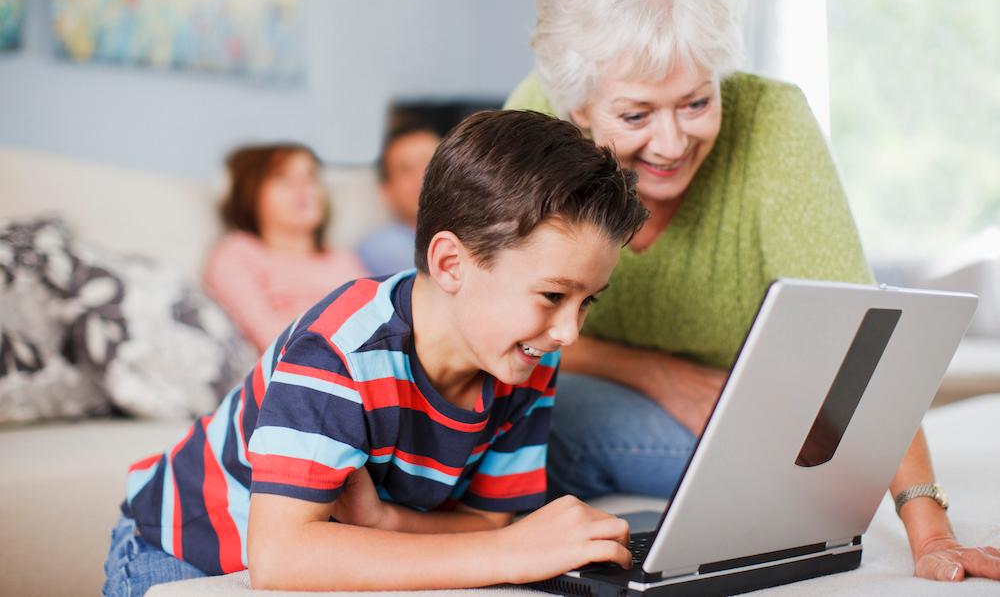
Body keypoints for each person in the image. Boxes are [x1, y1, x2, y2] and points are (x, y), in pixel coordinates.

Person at [505, 0, 1000, 583]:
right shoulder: (535, 126)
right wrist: (658, 373)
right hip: (567, 387)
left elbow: (864, 344)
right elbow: (501, 327)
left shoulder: (771, 120)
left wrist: (927, 524)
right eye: (635, 115)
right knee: (529, 420)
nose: (672, 142)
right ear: (578, 111)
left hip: (736, 412)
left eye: (696, 102)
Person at [101, 110, 650, 595]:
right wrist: (513, 552)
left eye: (586, 302)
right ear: (451, 264)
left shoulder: (528, 356)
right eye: (553, 295)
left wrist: (389, 524)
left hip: (336, 543)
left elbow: (486, 522)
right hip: (180, 550)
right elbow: (281, 555)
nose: (569, 332)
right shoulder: (338, 351)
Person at [203, 143, 368, 352]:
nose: (304, 188)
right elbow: (266, 335)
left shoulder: (342, 258)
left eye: (311, 176)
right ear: (250, 192)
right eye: (283, 178)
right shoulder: (237, 253)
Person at [357, 121, 440, 276]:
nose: (422, 177)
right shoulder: (384, 246)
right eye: (406, 169)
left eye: (431, 164)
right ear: (387, 191)